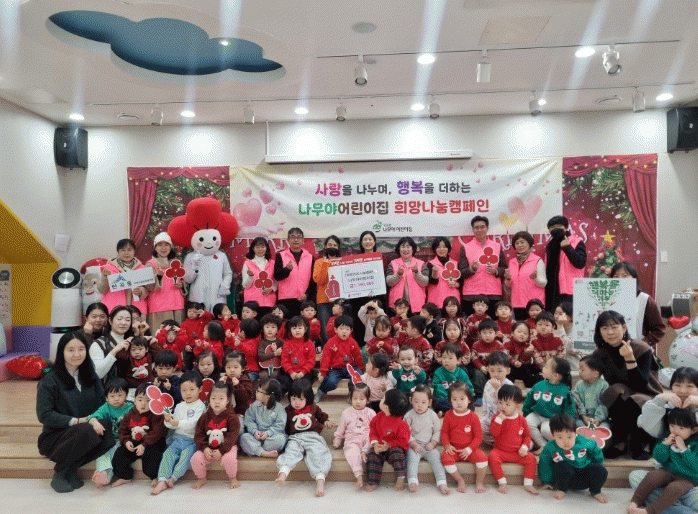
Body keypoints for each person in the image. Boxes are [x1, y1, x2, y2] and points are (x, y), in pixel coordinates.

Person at [36, 332, 115, 493]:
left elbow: (101, 405)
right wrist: (78, 421)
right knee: (87, 430)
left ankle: (71, 468)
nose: (77, 354)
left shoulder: (91, 376)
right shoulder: (50, 380)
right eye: (71, 350)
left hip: (86, 429)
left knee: (107, 427)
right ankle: (60, 472)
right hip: (56, 437)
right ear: (62, 352)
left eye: (81, 349)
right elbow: (44, 415)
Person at [591, 310, 661, 459]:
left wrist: (629, 357)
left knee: (633, 400)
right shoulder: (600, 353)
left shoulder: (641, 348)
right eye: (604, 328)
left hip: (647, 392)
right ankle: (620, 442)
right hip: (621, 393)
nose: (610, 332)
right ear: (599, 332)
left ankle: (644, 443)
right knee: (613, 392)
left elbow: (640, 384)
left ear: (623, 328)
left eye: (614, 327)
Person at [629, 408, 698, 514]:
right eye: (672, 426)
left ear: (694, 430)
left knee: (674, 488)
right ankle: (635, 502)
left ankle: (650, 510)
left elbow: (696, 466)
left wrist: (684, 449)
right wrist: (665, 444)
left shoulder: (696, 443)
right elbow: (659, 458)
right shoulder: (668, 436)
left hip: (689, 479)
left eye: (681, 428)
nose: (675, 431)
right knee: (652, 476)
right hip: (668, 471)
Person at [276, 379, 335, 497]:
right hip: (295, 437)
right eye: (293, 398)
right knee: (291, 451)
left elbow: (321, 416)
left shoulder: (313, 407)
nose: (296, 402)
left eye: (301, 399)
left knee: (318, 453)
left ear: (307, 399)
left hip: (312, 436)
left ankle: (320, 481)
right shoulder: (287, 410)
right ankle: (283, 473)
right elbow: (284, 426)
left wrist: (326, 421)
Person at [151, 372, 206, 495]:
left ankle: (174, 478)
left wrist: (178, 422)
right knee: (167, 454)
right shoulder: (179, 406)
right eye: (184, 390)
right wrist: (168, 420)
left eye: (192, 389)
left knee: (186, 457)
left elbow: (194, 422)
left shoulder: (200, 406)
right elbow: (172, 424)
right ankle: (162, 480)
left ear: (200, 389)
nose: (188, 393)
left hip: (192, 440)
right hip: (177, 439)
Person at [538, 413, 608, 503]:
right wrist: (546, 481)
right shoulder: (550, 447)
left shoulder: (584, 442)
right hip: (566, 480)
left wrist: (597, 469)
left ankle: (596, 491)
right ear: (553, 435)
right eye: (560, 437)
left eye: (569, 437)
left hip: (585, 477)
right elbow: (545, 464)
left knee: (601, 469)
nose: (566, 441)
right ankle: (562, 490)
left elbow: (597, 453)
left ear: (575, 433)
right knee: (561, 465)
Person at [111, 381, 167, 488]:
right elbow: (123, 430)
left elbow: (156, 433)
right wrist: (126, 441)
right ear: (135, 400)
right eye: (140, 400)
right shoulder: (130, 414)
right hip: (135, 442)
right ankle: (125, 476)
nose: (143, 403)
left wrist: (144, 445)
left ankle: (154, 476)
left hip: (152, 442)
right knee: (120, 453)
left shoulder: (156, 414)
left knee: (152, 454)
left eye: (148, 400)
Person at [488, 384, 538, 495]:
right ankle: (502, 482)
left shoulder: (522, 420)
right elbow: (494, 434)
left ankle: (528, 484)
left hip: (517, 453)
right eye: (500, 402)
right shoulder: (496, 417)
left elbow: (527, 436)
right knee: (492, 456)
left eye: (507, 404)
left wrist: (524, 446)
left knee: (531, 458)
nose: (503, 407)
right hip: (500, 451)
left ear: (517, 406)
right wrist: (498, 421)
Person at [191, 381, 241, 490]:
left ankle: (232, 478)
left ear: (228, 400)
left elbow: (232, 436)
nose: (217, 402)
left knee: (229, 459)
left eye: (221, 399)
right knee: (195, 458)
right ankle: (202, 478)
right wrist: (204, 448)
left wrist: (222, 450)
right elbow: (199, 434)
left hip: (227, 447)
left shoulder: (232, 417)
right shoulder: (205, 417)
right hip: (209, 448)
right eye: (213, 398)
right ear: (209, 399)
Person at [441, 381, 488, 493]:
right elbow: (444, 433)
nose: (459, 402)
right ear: (450, 401)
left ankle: (479, 482)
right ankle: (460, 480)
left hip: (470, 449)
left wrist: (469, 449)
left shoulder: (473, 416)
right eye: (455, 399)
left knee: (483, 458)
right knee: (445, 458)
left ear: (469, 399)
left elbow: (478, 437)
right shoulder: (448, 415)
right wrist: (447, 445)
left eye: (462, 399)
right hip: (454, 449)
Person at [86, 378, 133, 487]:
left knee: (114, 451)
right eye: (112, 396)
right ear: (107, 398)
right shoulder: (106, 407)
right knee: (103, 451)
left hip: (125, 440)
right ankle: (102, 473)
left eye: (120, 395)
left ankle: (104, 474)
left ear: (126, 395)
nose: (116, 399)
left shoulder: (131, 408)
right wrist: (95, 423)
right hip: (111, 440)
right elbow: (91, 417)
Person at [404, 385, 450, 494]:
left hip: (429, 445)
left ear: (429, 402)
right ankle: (412, 481)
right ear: (411, 401)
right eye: (416, 402)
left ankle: (442, 482)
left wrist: (433, 443)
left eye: (423, 402)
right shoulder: (409, 415)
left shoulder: (433, 415)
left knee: (437, 460)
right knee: (412, 460)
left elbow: (437, 431)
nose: (419, 405)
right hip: (414, 446)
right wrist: (413, 444)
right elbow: (406, 432)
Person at [523, 357, 575, 452]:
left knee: (545, 430)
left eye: (546, 367)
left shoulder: (565, 391)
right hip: (537, 414)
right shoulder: (539, 385)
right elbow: (529, 401)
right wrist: (525, 414)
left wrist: (567, 425)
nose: (543, 368)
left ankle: (561, 445)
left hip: (553, 419)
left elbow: (569, 411)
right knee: (527, 422)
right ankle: (543, 445)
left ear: (555, 375)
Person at [364, 389, 411, 492]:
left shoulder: (401, 423)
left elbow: (403, 440)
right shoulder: (379, 417)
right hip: (380, 446)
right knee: (372, 455)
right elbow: (373, 429)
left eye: (383, 399)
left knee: (398, 454)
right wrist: (375, 443)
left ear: (386, 407)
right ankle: (373, 481)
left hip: (394, 448)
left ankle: (400, 478)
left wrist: (389, 444)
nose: (381, 399)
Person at [610, 262, 666, 348]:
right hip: (611, 350)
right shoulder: (607, 300)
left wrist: (642, 344)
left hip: (637, 352)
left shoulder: (645, 300)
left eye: (625, 276)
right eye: (616, 276)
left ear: (634, 278)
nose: (620, 279)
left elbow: (659, 329)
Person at [459, 216, 506, 317]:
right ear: (472, 229)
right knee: (471, 324)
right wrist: (472, 269)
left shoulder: (497, 246)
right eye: (476, 227)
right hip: (471, 294)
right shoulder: (465, 247)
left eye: (482, 227)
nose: (479, 230)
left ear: (487, 228)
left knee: (491, 324)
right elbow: (461, 272)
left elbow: (504, 268)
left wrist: (496, 271)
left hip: (493, 293)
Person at [333, 383, 376, 489]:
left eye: (361, 399)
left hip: (366, 438)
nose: (358, 401)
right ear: (350, 398)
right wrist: (337, 440)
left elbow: (375, 429)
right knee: (351, 452)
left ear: (368, 400)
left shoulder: (370, 413)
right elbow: (341, 428)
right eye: (355, 398)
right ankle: (358, 475)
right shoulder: (346, 413)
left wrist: (369, 444)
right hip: (352, 440)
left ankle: (365, 451)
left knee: (371, 441)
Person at [638, 367, 698, 440]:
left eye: (689, 386)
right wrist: (659, 399)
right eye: (677, 385)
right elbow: (649, 427)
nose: (682, 391)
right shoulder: (666, 409)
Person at [349, 230, 387, 343]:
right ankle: (362, 348)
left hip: (376, 296)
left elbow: (382, 276)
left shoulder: (381, 257)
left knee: (378, 322)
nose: (368, 242)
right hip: (359, 297)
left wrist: (374, 290)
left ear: (374, 242)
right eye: (365, 239)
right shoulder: (355, 259)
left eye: (370, 239)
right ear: (361, 243)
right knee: (360, 322)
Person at [316, 315, 364, 402]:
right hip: (336, 369)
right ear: (335, 330)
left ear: (351, 330)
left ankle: (352, 394)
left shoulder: (353, 342)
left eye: (347, 329)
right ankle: (320, 392)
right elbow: (326, 358)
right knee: (331, 382)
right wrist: (323, 372)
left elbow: (358, 356)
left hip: (350, 368)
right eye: (341, 329)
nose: (344, 332)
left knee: (358, 376)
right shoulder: (331, 342)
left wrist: (361, 368)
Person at [544, 216, 586, 311]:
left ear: (566, 227)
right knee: (553, 316)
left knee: (567, 316)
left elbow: (581, 263)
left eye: (558, 226)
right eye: (552, 227)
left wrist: (568, 248)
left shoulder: (576, 242)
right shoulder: (550, 245)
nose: (555, 229)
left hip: (568, 290)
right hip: (551, 290)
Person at [97, 238, 149, 315]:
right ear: (118, 252)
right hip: (115, 309)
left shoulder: (142, 269)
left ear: (134, 251)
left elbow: (148, 290)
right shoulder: (108, 268)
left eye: (129, 250)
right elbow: (102, 290)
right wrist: (105, 277)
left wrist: (141, 291)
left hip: (136, 310)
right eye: (123, 250)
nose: (126, 253)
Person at [238, 378, 287, 458]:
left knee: (280, 440)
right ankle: (264, 453)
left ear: (268, 396)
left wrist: (268, 433)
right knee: (244, 437)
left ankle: (256, 450)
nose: (256, 392)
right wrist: (254, 431)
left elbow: (280, 425)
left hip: (271, 437)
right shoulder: (254, 405)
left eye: (259, 391)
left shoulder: (279, 408)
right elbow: (249, 420)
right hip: (256, 437)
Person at [504, 231, 547, 320]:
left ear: (529, 244)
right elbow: (509, 285)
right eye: (517, 243)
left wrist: (535, 279)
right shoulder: (512, 262)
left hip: (534, 305)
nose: (520, 245)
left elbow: (544, 283)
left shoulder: (537, 260)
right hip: (517, 304)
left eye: (522, 242)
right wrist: (508, 279)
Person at [145, 232, 185, 328]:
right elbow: (148, 287)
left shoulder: (177, 263)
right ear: (155, 247)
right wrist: (158, 277)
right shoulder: (150, 264)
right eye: (160, 245)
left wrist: (182, 285)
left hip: (177, 305)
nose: (163, 248)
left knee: (177, 334)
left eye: (166, 244)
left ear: (171, 246)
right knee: (160, 333)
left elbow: (184, 280)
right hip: (159, 306)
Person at [273, 227, 315, 316]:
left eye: (298, 237)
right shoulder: (280, 255)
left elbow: (313, 280)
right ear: (288, 240)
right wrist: (287, 270)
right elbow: (277, 276)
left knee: (302, 324)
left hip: (304, 299)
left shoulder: (310, 257)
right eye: (293, 237)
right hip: (285, 299)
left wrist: (307, 295)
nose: (296, 240)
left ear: (303, 240)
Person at [386, 236, 428, 315]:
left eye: (408, 247)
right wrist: (398, 274)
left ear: (413, 249)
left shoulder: (421, 264)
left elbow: (425, 282)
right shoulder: (392, 263)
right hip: (397, 306)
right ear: (399, 249)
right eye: (403, 247)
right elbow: (389, 282)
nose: (405, 249)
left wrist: (416, 272)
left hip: (416, 306)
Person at [90, 306, 133, 383]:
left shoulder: (131, 341)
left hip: (130, 388)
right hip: (107, 389)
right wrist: (115, 351)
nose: (123, 323)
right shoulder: (99, 344)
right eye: (119, 319)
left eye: (127, 320)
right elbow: (97, 373)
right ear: (110, 320)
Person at [313, 235, 341, 344]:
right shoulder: (319, 262)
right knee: (325, 331)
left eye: (335, 245)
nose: (332, 247)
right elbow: (320, 281)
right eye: (330, 244)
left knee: (341, 328)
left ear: (338, 247)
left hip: (339, 301)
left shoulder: (343, 262)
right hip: (324, 302)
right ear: (325, 246)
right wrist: (326, 264)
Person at [278, 316, 318, 393]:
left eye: (300, 328)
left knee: (304, 386)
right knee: (285, 384)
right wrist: (291, 372)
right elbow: (284, 360)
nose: (297, 330)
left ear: (305, 329)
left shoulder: (309, 343)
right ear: (290, 330)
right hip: (289, 372)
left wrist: (303, 372)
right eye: (294, 328)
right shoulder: (287, 343)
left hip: (305, 372)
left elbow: (311, 361)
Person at [480, 351, 513, 444]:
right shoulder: (488, 383)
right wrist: (484, 416)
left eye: (499, 371)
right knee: (477, 428)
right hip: (489, 418)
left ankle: (503, 442)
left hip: (504, 420)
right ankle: (497, 442)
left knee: (510, 432)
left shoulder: (509, 385)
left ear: (508, 371)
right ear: (488, 369)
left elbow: (508, 404)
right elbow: (485, 401)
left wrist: (497, 389)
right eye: (492, 370)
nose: (495, 374)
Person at [432, 343, 473, 415]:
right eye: (444, 357)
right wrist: (450, 398)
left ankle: (446, 411)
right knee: (436, 402)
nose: (446, 360)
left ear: (458, 360)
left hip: (458, 399)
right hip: (444, 399)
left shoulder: (462, 373)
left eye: (450, 358)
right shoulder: (438, 372)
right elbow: (437, 388)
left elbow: (469, 387)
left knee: (471, 404)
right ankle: (449, 411)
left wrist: (464, 397)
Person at [242, 237, 277, 318]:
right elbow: (245, 285)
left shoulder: (273, 263)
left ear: (266, 248)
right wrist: (250, 276)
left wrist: (272, 289)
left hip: (269, 301)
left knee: (268, 324)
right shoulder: (247, 263)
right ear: (253, 248)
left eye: (262, 247)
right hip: (252, 303)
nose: (260, 249)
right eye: (257, 247)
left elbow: (276, 281)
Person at [573, 355, 610, 430]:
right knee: (577, 424)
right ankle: (585, 436)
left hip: (601, 419)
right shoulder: (579, 384)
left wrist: (598, 419)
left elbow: (604, 405)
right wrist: (583, 416)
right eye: (579, 369)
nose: (579, 372)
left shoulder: (604, 385)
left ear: (595, 374)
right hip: (583, 418)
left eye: (582, 370)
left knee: (605, 428)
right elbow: (578, 401)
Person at [426, 236, 461, 309]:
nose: (441, 249)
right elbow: (432, 282)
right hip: (436, 301)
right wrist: (435, 272)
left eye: (444, 247)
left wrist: (456, 284)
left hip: (453, 302)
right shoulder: (430, 264)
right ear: (435, 249)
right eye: (438, 247)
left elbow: (462, 282)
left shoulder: (455, 263)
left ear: (448, 248)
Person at [504, 321, 540, 387]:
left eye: (525, 333)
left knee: (526, 367)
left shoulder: (528, 345)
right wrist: (514, 362)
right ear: (512, 333)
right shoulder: (508, 343)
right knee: (509, 369)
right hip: (510, 366)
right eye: (519, 332)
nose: (522, 334)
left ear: (528, 336)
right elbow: (505, 355)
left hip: (522, 367)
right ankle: (508, 387)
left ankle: (530, 387)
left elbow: (526, 361)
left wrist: (527, 353)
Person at [221, 351, 254, 416]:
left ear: (242, 368)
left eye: (235, 367)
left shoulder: (245, 381)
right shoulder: (224, 379)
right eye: (228, 367)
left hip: (240, 412)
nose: (232, 370)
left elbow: (246, 397)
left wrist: (237, 386)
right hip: (225, 411)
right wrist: (220, 384)